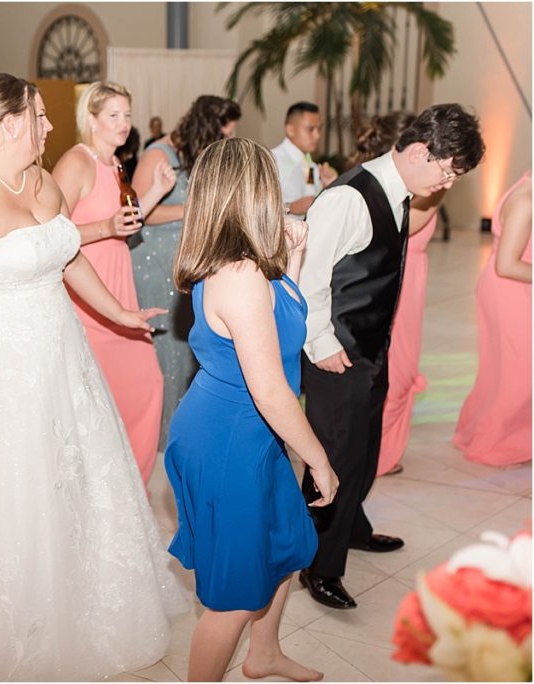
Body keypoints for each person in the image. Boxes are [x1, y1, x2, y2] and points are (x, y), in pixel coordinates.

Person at [0, 73, 186, 681]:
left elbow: (68, 253)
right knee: (11, 489)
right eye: (40, 116)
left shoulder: (40, 181)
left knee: (74, 476)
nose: (51, 126)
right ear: (10, 125)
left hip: (60, 354)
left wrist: (116, 312)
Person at [297, 103, 484, 610]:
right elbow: (308, 277)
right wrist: (322, 344)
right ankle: (317, 566)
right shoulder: (349, 199)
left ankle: (352, 527)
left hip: (369, 347)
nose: (447, 184)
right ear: (421, 151)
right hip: (338, 353)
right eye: (447, 171)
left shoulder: (398, 190)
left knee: (365, 448)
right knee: (332, 459)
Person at [167, 137, 338, 682]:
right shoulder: (238, 276)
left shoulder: (248, 264)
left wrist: (292, 260)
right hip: (229, 440)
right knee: (236, 596)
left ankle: (263, 655)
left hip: (252, 432)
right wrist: (318, 457)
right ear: (255, 192)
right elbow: (269, 390)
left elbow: (279, 319)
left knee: (285, 548)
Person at [52, 80, 176, 485]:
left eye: (127, 115)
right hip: (88, 292)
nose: (123, 124)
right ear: (91, 119)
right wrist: (104, 227)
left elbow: (126, 222)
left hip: (118, 284)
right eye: (113, 116)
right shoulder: (77, 162)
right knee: (105, 401)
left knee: (143, 389)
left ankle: (127, 492)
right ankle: (105, 491)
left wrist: (157, 190)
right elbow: (51, 233)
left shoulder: (114, 164)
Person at [131, 94, 241, 446]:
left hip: (184, 262)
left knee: (185, 346)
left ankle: (182, 431)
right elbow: (136, 212)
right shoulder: (157, 154)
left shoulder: (195, 156)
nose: (225, 141)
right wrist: (192, 209)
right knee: (164, 347)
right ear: (207, 127)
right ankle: (157, 436)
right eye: (223, 134)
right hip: (153, 260)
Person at [349, 112, 447, 477]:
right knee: (397, 371)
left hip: (414, 280)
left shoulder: (415, 187)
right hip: (396, 283)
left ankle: (382, 451)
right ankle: (373, 455)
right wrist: (443, 185)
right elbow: (409, 226)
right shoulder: (401, 190)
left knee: (402, 371)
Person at [454, 171, 531, 466]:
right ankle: (497, 443)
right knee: (517, 375)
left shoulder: (527, 186)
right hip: (512, 292)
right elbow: (507, 265)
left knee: (504, 370)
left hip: (513, 291)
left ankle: (487, 433)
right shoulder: (526, 199)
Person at [271, 102, 337, 216]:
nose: (317, 135)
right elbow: (254, 206)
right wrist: (289, 207)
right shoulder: (272, 161)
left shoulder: (310, 166)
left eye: (319, 129)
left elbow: (311, 199)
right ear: (290, 130)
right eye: (310, 129)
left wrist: (327, 188)